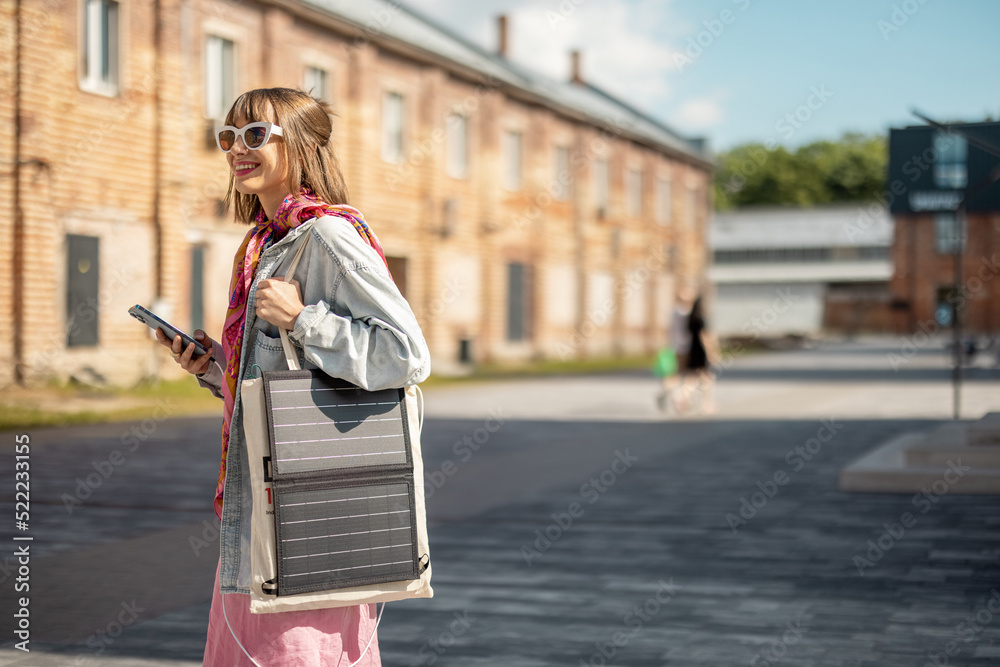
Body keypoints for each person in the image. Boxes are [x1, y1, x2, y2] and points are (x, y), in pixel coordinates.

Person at [155, 87, 430, 666]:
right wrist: (216, 369)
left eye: (255, 135)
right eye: (227, 137)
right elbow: (286, 377)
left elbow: (406, 354)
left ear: (300, 146)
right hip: (264, 502)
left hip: (312, 508)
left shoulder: (327, 236)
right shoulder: (265, 242)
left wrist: (305, 319)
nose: (236, 149)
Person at [656, 288, 694, 414]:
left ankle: (665, 392)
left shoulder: (673, 312)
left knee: (675, 375)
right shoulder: (687, 313)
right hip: (687, 347)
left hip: (675, 346)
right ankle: (681, 399)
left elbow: (670, 331)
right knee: (690, 376)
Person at [679, 296, 718, 415]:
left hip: (692, 349)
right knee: (707, 379)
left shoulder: (689, 318)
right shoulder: (700, 319)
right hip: (700, 351)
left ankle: (682, 399)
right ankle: (706, 404)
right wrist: (711, 352)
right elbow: (705, 337)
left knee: (692, 378)